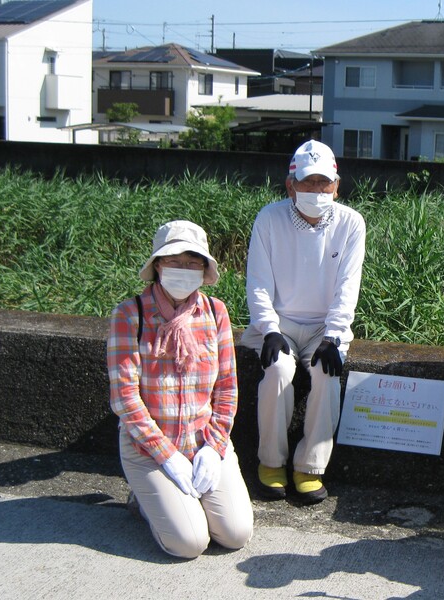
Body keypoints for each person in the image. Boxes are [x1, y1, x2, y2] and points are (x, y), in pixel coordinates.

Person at [107, 220, 254, 559]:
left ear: (204, 270)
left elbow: (227, 387)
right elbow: (125, 398)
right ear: (158, 265)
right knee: (189, 543)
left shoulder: (215, 312)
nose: (183, 270)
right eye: (174, 261)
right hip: (149, 448)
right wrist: (167, 456)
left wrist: (214, 447)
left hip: (203, 441)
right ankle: (145, 499)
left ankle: (176, 499)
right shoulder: (129, 315)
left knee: (235, 534)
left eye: (192, 263)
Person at [240, 139, 366, 504]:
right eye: (308, 182)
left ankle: (310, 466)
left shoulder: (351, 223)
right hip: (279, 324)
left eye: (324, 183)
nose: (316, 190)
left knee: (327, 373)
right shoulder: (269, 218)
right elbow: (258, 282)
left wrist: (334, 336)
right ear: (290, 185)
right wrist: (269, 328)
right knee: (278, 370)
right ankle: (271, 461)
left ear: (336, 186)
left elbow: (348, 286)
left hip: (324, 327)